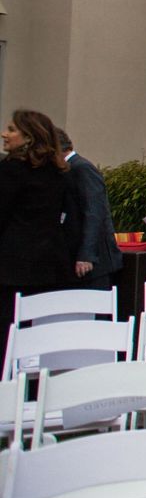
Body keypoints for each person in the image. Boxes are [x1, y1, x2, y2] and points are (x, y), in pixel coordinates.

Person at [0, 110, 77, 339]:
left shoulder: (10, 170)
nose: (4, 134)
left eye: (11, 129)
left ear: (29, 137)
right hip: (51, 266)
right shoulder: (60, 172)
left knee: (9, 334)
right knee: (41, 335)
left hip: (12, 268)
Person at [57, 130, 122, 289]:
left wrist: (87, 255)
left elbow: (94, 212)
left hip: (94, 264)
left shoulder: (82, 168)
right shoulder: (70, 168)